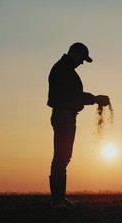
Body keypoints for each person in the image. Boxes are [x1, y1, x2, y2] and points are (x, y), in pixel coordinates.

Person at [47, 42, 110, 206]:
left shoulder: (65, 70)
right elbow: (72, 96)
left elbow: (73, 95)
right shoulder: (62, 70)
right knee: (61, 158)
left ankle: (59, 199)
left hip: (65, 116)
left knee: (63, 158)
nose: (82, 63)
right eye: (82, 58)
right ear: (74, 53)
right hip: (64, 116)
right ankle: (59, 200)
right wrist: (95, 99)